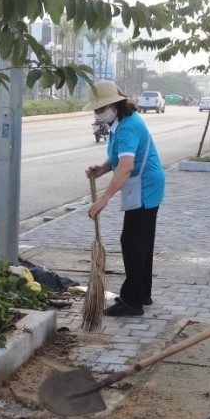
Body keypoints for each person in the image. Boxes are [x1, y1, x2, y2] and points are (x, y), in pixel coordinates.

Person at [84, 80, 165, 317]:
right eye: (96, 110)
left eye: (101, 109)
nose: (99, 113)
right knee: (142, 240)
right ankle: (141, 293)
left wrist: (103, 199)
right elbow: (119, 158)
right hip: (145, 184)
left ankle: (132, 302)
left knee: (131, 240)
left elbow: (127, 166)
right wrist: (102, 168)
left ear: (114, 104)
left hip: (145, 186)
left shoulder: (127, 126)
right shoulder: (120, 123)